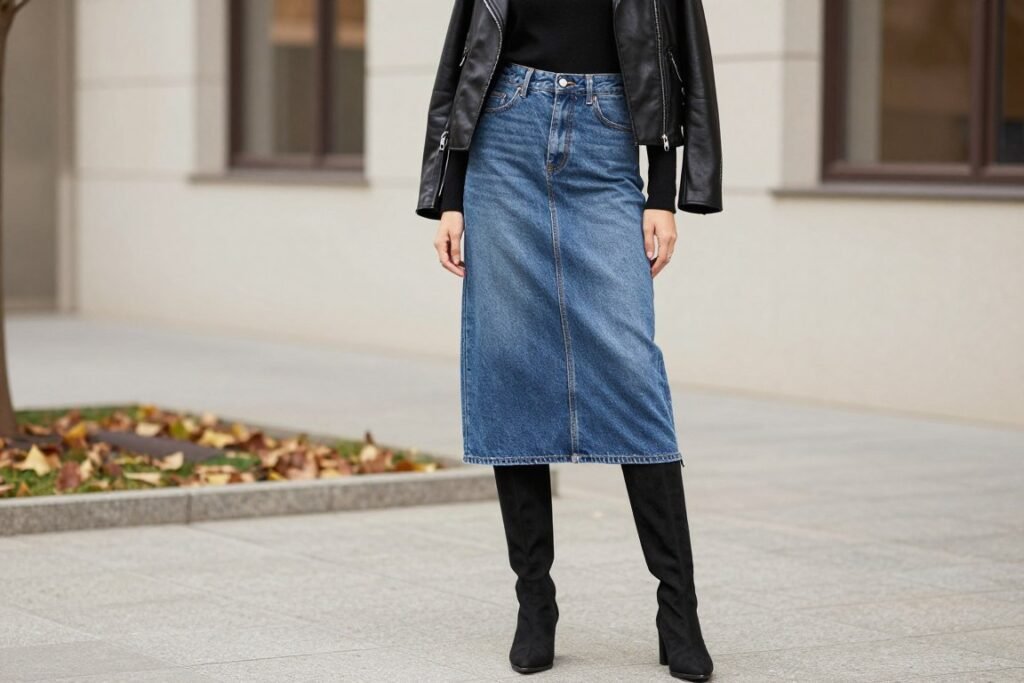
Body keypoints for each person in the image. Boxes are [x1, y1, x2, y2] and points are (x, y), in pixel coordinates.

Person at [415, 0, 722, 679]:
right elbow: (463, 56)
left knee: (632, 374)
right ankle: (534, 603)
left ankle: (679, 612)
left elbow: (678, 55)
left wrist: (662, 193)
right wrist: (451, 193)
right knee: (512, 366)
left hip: (608, 136)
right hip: (505, 136)